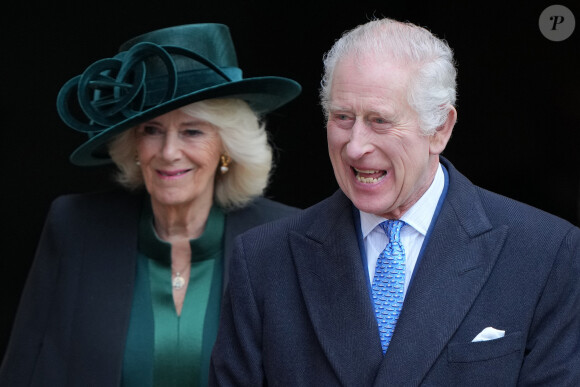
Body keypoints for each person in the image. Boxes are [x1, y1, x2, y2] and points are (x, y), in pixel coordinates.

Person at [209, 17, 580, 386]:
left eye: (379, 121)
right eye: (342, 117)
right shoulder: (263, 260)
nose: (355, 146)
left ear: (440, 129)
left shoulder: (545, 253)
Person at [0, 23, 301, 386]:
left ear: (226, 146)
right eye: (152, 130)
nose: (169, 152)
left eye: (192, 131)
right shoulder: (75, 228)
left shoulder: (283, 240)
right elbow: (26, 372)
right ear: (133, 146)